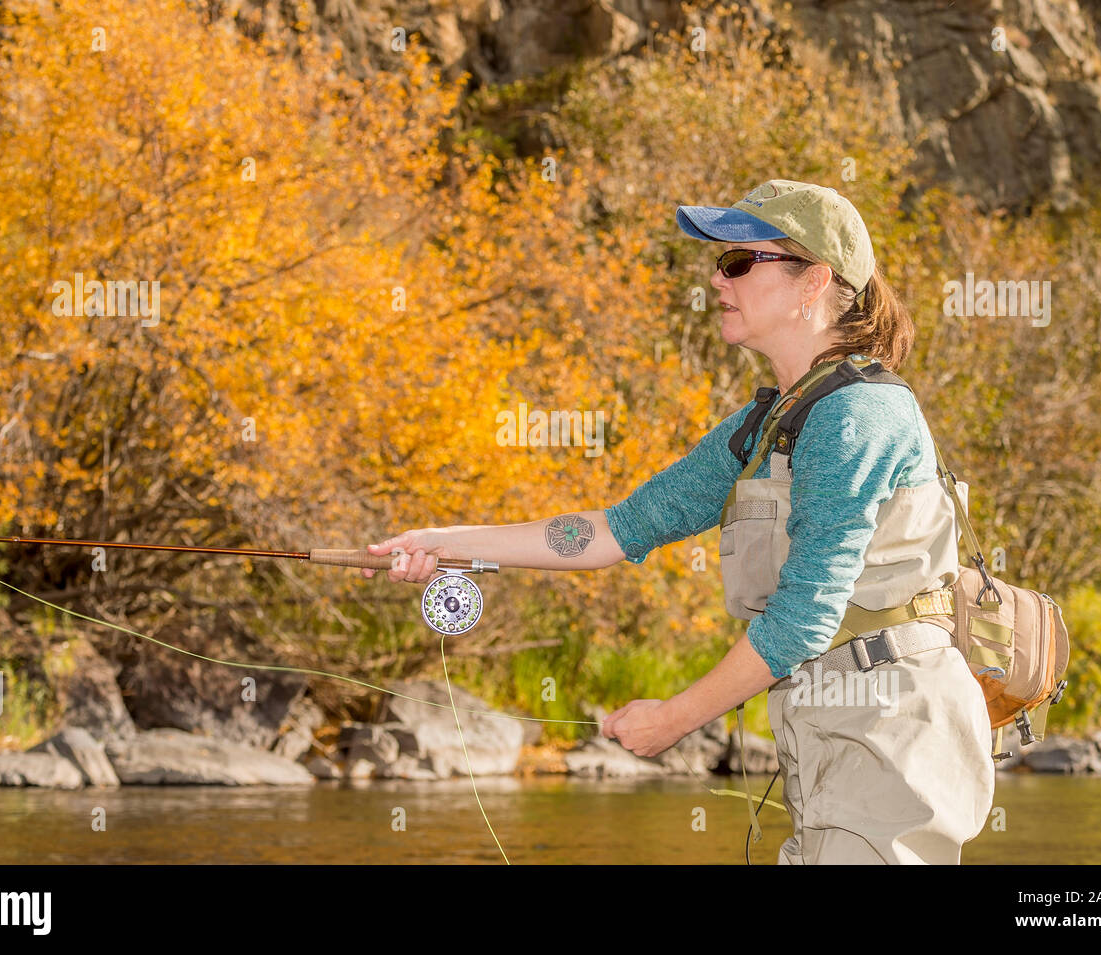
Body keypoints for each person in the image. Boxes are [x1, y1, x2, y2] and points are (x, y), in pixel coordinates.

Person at [363, 179, 995, 865]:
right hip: (831, 728)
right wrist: (444, 543)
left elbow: (804, 618)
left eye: (738, 262)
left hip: (892, 729)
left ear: (813, 281)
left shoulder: (859, 416)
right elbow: (613, 531)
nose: (718, 279)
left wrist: (673, 718)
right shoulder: (767, 424)